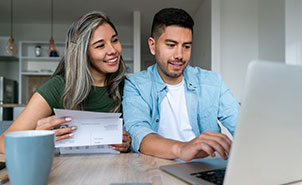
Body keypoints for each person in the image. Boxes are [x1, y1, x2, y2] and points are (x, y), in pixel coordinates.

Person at [0, 11, 131, 153]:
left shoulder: (129, 87)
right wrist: (38, 139)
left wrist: (129, 143)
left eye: (115, 40)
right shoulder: (57, 87)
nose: (113, 50)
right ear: (82, 53)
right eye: (100, 46)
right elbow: (2, 143)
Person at [122, 8, 240, 161]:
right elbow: (138, 132)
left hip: (207, 167)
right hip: (157, 168)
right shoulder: (135, 84)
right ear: (153, 46)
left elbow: (240, 125)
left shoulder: (212, 82)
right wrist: (183, 148)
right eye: (171, 45)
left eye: (186, 46)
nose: (179, 55)